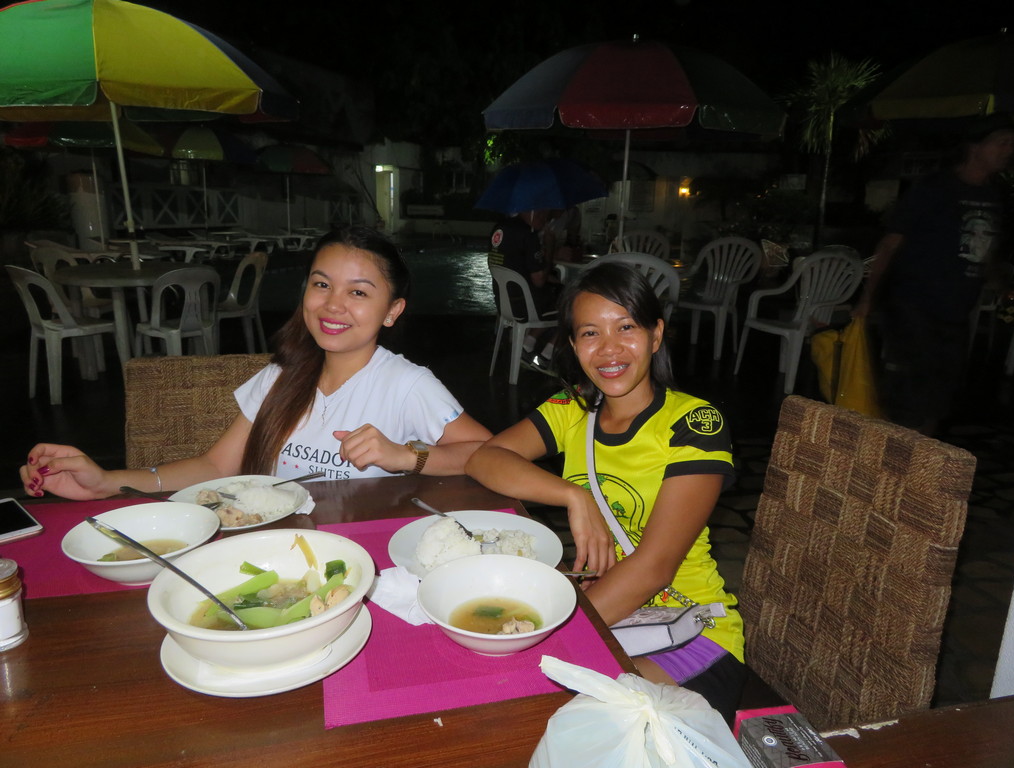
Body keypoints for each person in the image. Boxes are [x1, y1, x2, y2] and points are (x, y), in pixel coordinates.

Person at [20, 225, 493, 500]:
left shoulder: (407, 385)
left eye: (359, 293)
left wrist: (406, 456)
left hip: (361, 555)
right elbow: (215, 466)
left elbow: (492, 455)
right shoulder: (280, 376)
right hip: (277, 549)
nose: (333, 305)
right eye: (321, 284)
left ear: (392, 311)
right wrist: (108, 482)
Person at [465, 262, 745, 720]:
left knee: (562, 709)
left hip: (691, 632)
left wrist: (548, 630)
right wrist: (573, 496)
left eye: (626, 327)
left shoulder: (695, 423)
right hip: (616, 617)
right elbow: (485, 458)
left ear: (656, 335)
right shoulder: (572, 408)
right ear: (574, 345)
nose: (609, 348)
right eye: (590, 333)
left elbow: (653, 568)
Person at [854, 112, 1014, 435]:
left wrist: (1003, 286)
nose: (1009, 150)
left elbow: (985, 252)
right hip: (914, 306)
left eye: (1013, 144)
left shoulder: (992, 195)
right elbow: (889, 244)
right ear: (975, 146)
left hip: (956, 312)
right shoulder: (935, 188)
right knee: (908, 396)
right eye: (1002, 142)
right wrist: (867, 299)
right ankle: (889, 457)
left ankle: (922, 461)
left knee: (939, 396)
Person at [487, 208, 561, 363]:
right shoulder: (528, 235)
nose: (545, 220)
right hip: (524, 307)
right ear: (535, 212)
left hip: (503, 303)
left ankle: (528, 345)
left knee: (558, 292)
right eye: (544, 215)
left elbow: (515, 265)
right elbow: (539, 280)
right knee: (572, 305)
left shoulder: (499, 228)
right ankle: (547, 355)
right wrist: (550, 248)